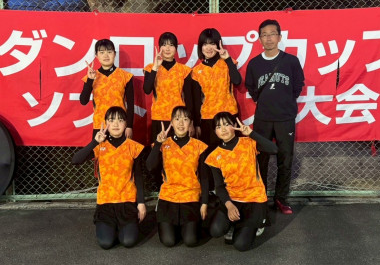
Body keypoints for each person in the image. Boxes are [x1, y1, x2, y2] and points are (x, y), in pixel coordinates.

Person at [245, 19, 305, 215]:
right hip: (263, 118)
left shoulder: (291, 61)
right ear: (259, 39)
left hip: (285, 118)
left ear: (279, 37)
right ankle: (260, 197)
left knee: (285, 159)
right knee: (260, 159)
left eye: (272, 34)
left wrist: (284, 102)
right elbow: (251, 87)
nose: (268, 38)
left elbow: (298, 85)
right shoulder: (254, 64)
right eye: (264, 35)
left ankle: (280, 198)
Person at [72, 106, 146, 249]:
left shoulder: (133, 147)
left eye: (120, 120)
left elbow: (139, 176)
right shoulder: (100, 146)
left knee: (128, 242)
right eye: (111, 120)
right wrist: (95, 142)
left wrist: (141, 203)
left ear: (126, 124)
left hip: (127, 202)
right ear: (106, 123)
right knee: (106, 243)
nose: (116, 124)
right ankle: (112, 227)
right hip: (106, 203)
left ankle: (124, 226)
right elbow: (75, 160)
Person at [205, 112, 278, 252]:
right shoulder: (214, 156)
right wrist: (229, 205)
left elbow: (274, 149)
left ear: (234, 126)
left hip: (254, 198)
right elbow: (219, 187)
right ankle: (233, 224)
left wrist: (251, 134)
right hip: (233, 198)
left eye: (227, 124)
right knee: (215, 230)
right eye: (219, 126)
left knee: (240, 245)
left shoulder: (248, 142)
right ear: (215, 131)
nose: (223, 129)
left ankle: (255, 224)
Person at [146, 106, 208, 247]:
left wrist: (204, 203)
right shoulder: (164, 144)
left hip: (190, 197)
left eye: (185, 119)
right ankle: (176, 225)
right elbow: (150, 166)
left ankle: (188, 226)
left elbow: (204, 178)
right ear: (171, 123)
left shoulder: (199, 146)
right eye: (177, 119)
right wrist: (158, 143)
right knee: (169, 241)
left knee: (191, 241)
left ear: (190, 123)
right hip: (168, 197)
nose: (181, 123)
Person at [191, 28, 241, 146]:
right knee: (211, 153)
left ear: (218, 45)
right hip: (208, 117)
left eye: (212, 43)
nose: (208, 48)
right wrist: (197, 124)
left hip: (229, 114)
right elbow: (196, 100)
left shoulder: (227, 63)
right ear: (200, 47)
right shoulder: (196, 71)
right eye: (205, 44)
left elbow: (237, 81)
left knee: (232, 152)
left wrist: (227, 59)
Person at [80, 39, 134, 139]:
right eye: (102, 52)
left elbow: (130, 105)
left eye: (109, 52)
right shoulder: (92, 76)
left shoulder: (125, 76)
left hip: (119, 126)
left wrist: (129, 126)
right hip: (99, 126)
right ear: (96, 56)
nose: (106, 55)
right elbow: (83, 101)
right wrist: (90, 80)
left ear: (115, 54)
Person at [143, 32, 192, 142]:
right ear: (159, 47)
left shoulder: (184, 70)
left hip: (179, 119)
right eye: (164, 45)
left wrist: (191, 122)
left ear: (176, 48)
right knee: (158, 149)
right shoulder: (150, 68)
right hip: (158, 117)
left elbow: (189, 98)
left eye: (171, 45)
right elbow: (147, 90)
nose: (167, 48)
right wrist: (155, 67)